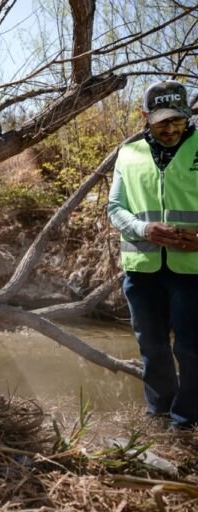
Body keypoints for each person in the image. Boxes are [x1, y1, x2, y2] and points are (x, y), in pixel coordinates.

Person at [107, 80, 198, 429]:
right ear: (144, 117)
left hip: (193, 269)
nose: (172, 128)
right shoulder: (128, 154)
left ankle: (186, 421)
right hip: (142, 270)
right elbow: (115, 208)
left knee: (192, 349)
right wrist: (144, 229)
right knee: (152, 348)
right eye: (162, 121)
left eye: (178, 119)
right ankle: (158, 416)